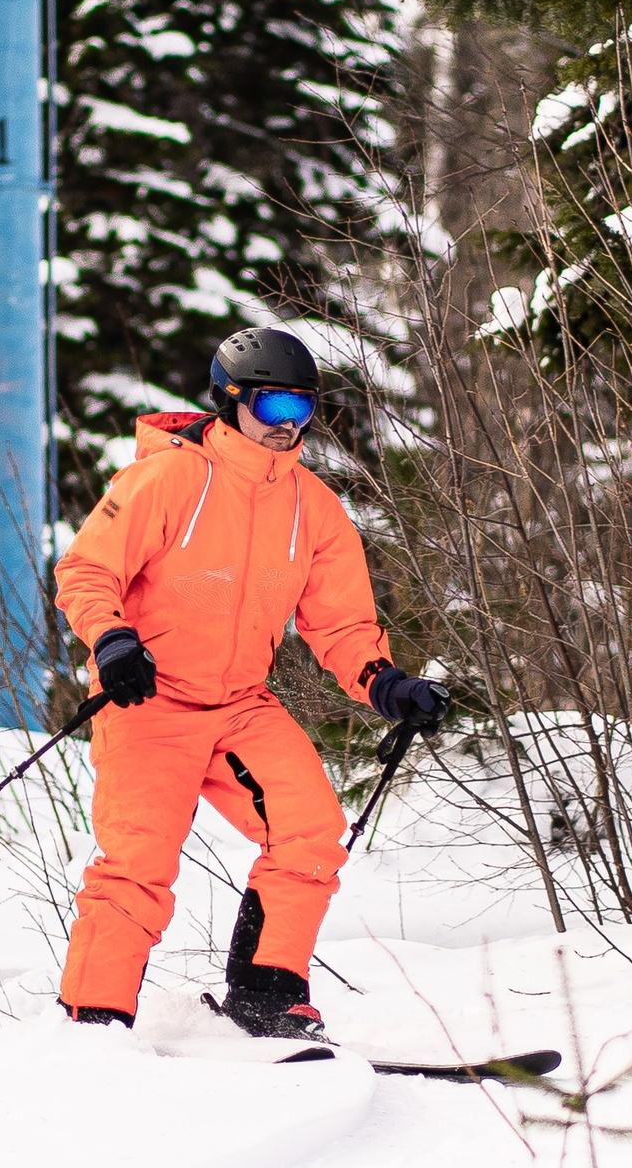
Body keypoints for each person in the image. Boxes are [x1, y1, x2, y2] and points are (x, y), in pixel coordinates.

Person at [50, 327, 447, 1039]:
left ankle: (266, 996)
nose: (287, 428)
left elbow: (341, 624)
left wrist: (386, 684)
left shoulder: (314, 507)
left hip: (239, 706)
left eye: (302, 409)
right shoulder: (163, 479)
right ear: (230, 402)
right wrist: (112, 641)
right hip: (149, 701)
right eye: (273, 408)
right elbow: (86, 570)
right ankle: (94, 1020)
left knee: (311, 832)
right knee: (138, 865)